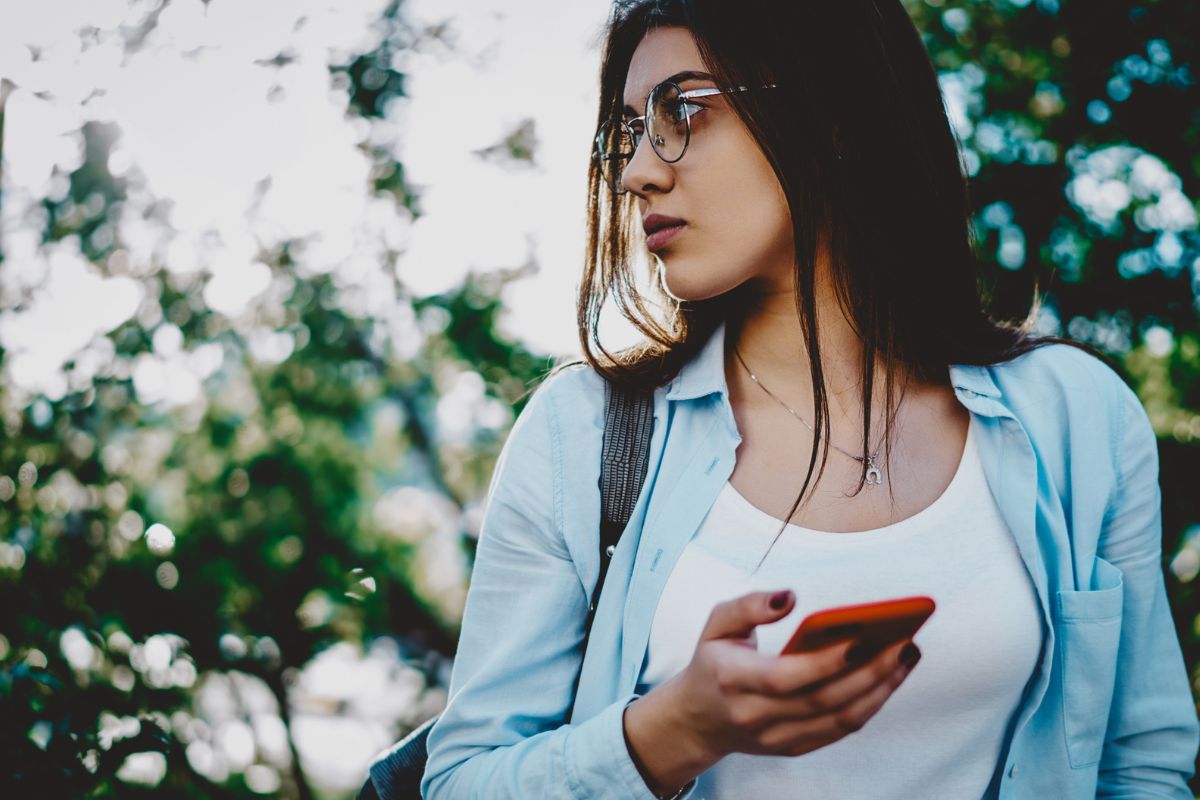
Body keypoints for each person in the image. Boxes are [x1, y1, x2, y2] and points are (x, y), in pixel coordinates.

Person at [421, 1, 1199, 797]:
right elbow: (458, 783)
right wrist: (669, 734)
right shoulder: (580, 437)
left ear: (834, 117)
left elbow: (1141, 767)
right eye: (629, 129)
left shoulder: (1077, 419)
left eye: (682, 111)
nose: (638, 171)